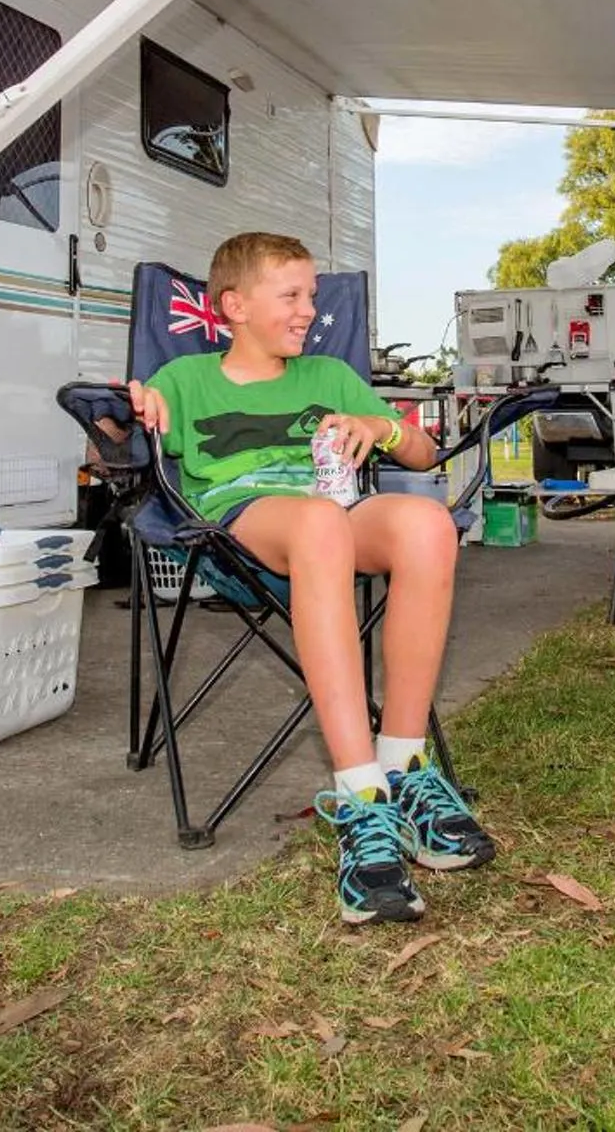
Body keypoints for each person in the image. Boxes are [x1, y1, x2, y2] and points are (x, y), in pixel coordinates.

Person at [128, 231, 494, 925]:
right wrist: (132, 411)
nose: (309, 311)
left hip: (333, 518)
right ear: (232, 304)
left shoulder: (328, 374)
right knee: (320, 521)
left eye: (314, 296)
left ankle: (405, 770)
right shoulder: (184, 380)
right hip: (243, 526)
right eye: (291, 295)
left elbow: (421, 451)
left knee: (427, 524)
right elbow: (117, 442)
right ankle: (361, 803)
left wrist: (375, 427)